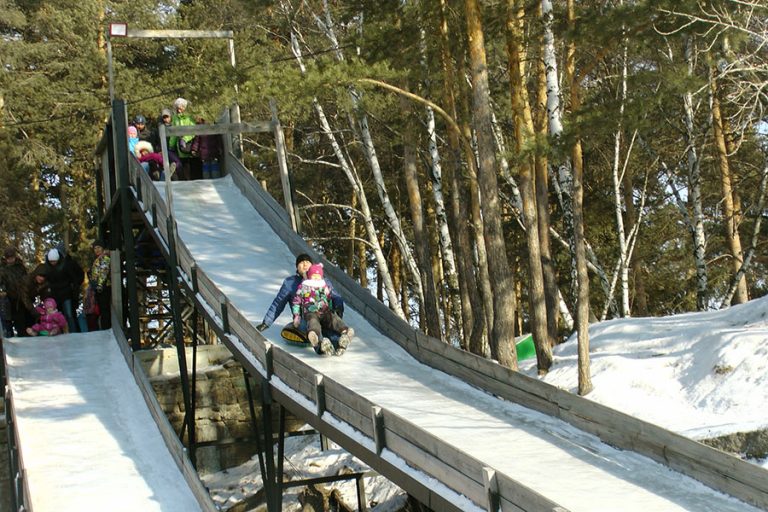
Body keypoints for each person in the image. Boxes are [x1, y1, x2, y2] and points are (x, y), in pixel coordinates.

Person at [256, 254, 348, 353]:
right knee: (312, 324)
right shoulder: (290, 283)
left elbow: (335, 295)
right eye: (301, 263)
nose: (304, 264)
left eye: (307, 262)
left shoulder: (322, 281)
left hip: (322, 314)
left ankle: (338, 343)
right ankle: (320, 345)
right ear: (297, 267)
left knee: (327, 322)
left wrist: (338, 308)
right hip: (304, 318)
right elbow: (278, 303)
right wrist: (266, 322)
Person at [291, 263, 354, 356]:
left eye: (318, 276)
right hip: (310, 312)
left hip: (325, 311)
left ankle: (345, 331)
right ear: (309, 276)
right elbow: (296, 302)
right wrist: (296, 316)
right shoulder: (303, 286)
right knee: (313, 322)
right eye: (314, 276)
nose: (316, 278)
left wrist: (332, 309)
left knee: (333, 319)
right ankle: (315, 336)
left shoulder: (324, 285)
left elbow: (329, 298)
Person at [44, 247, 84, 333]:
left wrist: (74, 290)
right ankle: (61, 332)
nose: (53, 263)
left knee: (69, 315)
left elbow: (74, 278)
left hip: (66, 294)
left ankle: (73, 332)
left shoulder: (66, 265)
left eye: (54, 261)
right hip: (55, 295)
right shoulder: (47, 268)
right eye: (51, 262)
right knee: (57, 316)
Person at [0, 246, 28, 336]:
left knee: (21, 319)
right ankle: (10, 336)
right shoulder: (2, 269)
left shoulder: (20, 266)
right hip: (8, 297)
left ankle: (22, 335)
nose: (10, 260)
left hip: (20, 296)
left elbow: (25, 279)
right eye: (8, 258)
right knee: (7, 319)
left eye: (12, 257)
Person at [168, 98, 198, 180]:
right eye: (178, 107)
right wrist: (171, 145)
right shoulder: (175, 118)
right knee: (182, 165)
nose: (179, 109)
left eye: (181, 107)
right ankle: (184, 182)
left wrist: (185, 139)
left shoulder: (189, 117)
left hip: (189, 144)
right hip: (179, 146)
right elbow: (173, 133)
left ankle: (191, 181)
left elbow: (194, 131)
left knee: (189, 165)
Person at [85, 240, 111, 331]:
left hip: (103, 287)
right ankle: (104, 327)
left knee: (104, 308)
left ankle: (106, 327)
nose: (96, 250)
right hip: (97, 286)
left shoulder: (105, 258)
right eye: (95, 248)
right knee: (100, 308)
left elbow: (104, 272)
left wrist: (99, 285)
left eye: (99, 247)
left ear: (103, 248)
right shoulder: (98, 259)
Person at [20, 264, 52, 333]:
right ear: (36, 274)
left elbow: (45, 296)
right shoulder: (27, 280)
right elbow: (25, 298)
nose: (41, 278)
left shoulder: (44, 283)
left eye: (43, 277)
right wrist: (34, 312)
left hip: (31, 301)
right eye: (40, 276)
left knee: (32, 319)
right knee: (22, 322)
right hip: (19, 301)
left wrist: (49, 307)